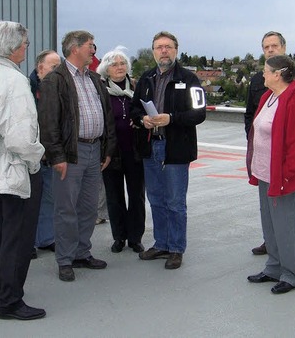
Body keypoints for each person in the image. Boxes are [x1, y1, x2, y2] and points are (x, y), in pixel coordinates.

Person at [0, 21, 46, 320]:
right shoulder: (14, 82)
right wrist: (37, 157)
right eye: (25, 44)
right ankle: (10, 301)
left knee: (0, 232)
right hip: (15, 169)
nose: (27, 48)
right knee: (18, 237)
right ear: (15, 48)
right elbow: (19, 137)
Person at [38, 30, 116, 282]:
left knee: (88, 207)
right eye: (91, 46)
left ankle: (82, 252)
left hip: (95, 152)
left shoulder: (94, 79)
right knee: (65, 209)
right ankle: (65, 259)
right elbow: (48, 123)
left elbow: (107, 116)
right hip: (70, 154)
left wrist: (107, 150)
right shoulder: (55, 80)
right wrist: (57, 156)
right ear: (76, 48)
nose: (94, 51)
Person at [130, 31, 206, 270]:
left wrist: (170, 118)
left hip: (176, 149)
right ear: (153, 51)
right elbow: (133, 109)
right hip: (150, 147)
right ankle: (161, 243)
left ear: (176, 50)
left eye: (168, 47)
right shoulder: (146, 78)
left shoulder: (190, 79)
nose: (163, 51)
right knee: (156, 199)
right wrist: (143, 119)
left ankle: (176, 248)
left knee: (175, 201)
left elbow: (199, 113)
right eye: (159, 47)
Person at [244, 31, 295, 256]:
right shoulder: (259, 80)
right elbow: (249, 114)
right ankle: (271, 245)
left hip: (283, 157)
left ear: (284, 48)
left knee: (287, 211)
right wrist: (254, 138)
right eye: (266, 47)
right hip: (263, 157)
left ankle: (290, 253)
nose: (270, 50)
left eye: (274, 46)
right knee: (267, 209)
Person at [246, 55, 295, 294]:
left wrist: (286, 176)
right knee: (270, 224)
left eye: (265, 70)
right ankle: (273, 267)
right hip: (265, 173)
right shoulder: (268, 97)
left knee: (287, 226)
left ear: (277, 74)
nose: (262, 74)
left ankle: (290, 274)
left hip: (284, 178)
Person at [96, 46, 146, 253]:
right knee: (114, 196)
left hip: (134, 150)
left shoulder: (136, 87)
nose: (119, 67)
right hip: (111, 152)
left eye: (122, 63)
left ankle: (135, 237)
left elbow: (146, 111)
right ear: (106, 69)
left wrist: (141, 122)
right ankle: (119, 237)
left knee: (136, 196)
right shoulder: (99, 91)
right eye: (114, 64)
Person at [29, 49, 62, 259]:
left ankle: (46, 238)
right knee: (30, 201)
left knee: (49, 198)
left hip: (49, 153)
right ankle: (28, 241)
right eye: (54, 67)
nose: (58, 71)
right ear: (40, 68)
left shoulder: (57, 87)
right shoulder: (27, 88)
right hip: (30, 154)